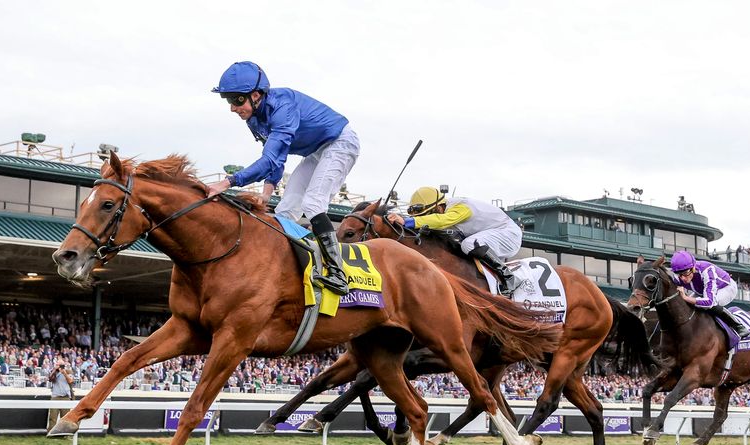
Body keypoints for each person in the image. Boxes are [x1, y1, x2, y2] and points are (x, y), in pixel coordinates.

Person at [206, 61, 361, 295]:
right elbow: (276, 159)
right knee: (285, 210)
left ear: (256, 95)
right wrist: (267, 194)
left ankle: (338, 273)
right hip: (316, 151)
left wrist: (227, 182)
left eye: (236, 100)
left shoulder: (283, 107)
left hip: (340, 142)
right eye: (229, 101)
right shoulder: (254, 119)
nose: (232, 108)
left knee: (312, 203)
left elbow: (269, 161)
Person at [386, 186, 521, 296]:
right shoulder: (445, 209)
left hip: (509, 234)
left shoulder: (460, 207)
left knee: (469, 244)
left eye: (429, 214)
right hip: (491, 234)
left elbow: (442, 221)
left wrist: (408, 221)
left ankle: (510, 278)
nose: (427, 218)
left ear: (439, 207)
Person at [670, 250, 750, 339]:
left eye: (685, 273)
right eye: (679, 274)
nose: (683, 278)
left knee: (710, 305)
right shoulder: (677, 276)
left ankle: (738, 326)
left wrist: (685, 297)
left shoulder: (707, 271)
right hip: (702, 291)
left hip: (726, 288)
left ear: (693, 268)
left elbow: (709, 302)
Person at [47, 361, 74, 431]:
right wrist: (54, 370)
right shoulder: (53, 371)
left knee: (65, 418)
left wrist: (64, 373)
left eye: (61, 365)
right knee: (52, 417)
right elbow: (50, 379)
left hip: (65, 397)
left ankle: (64, 434)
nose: (60, 367)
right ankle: (51, 433)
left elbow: (70, 381)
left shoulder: (68, 371)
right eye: (58, 365)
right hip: (55, 396)